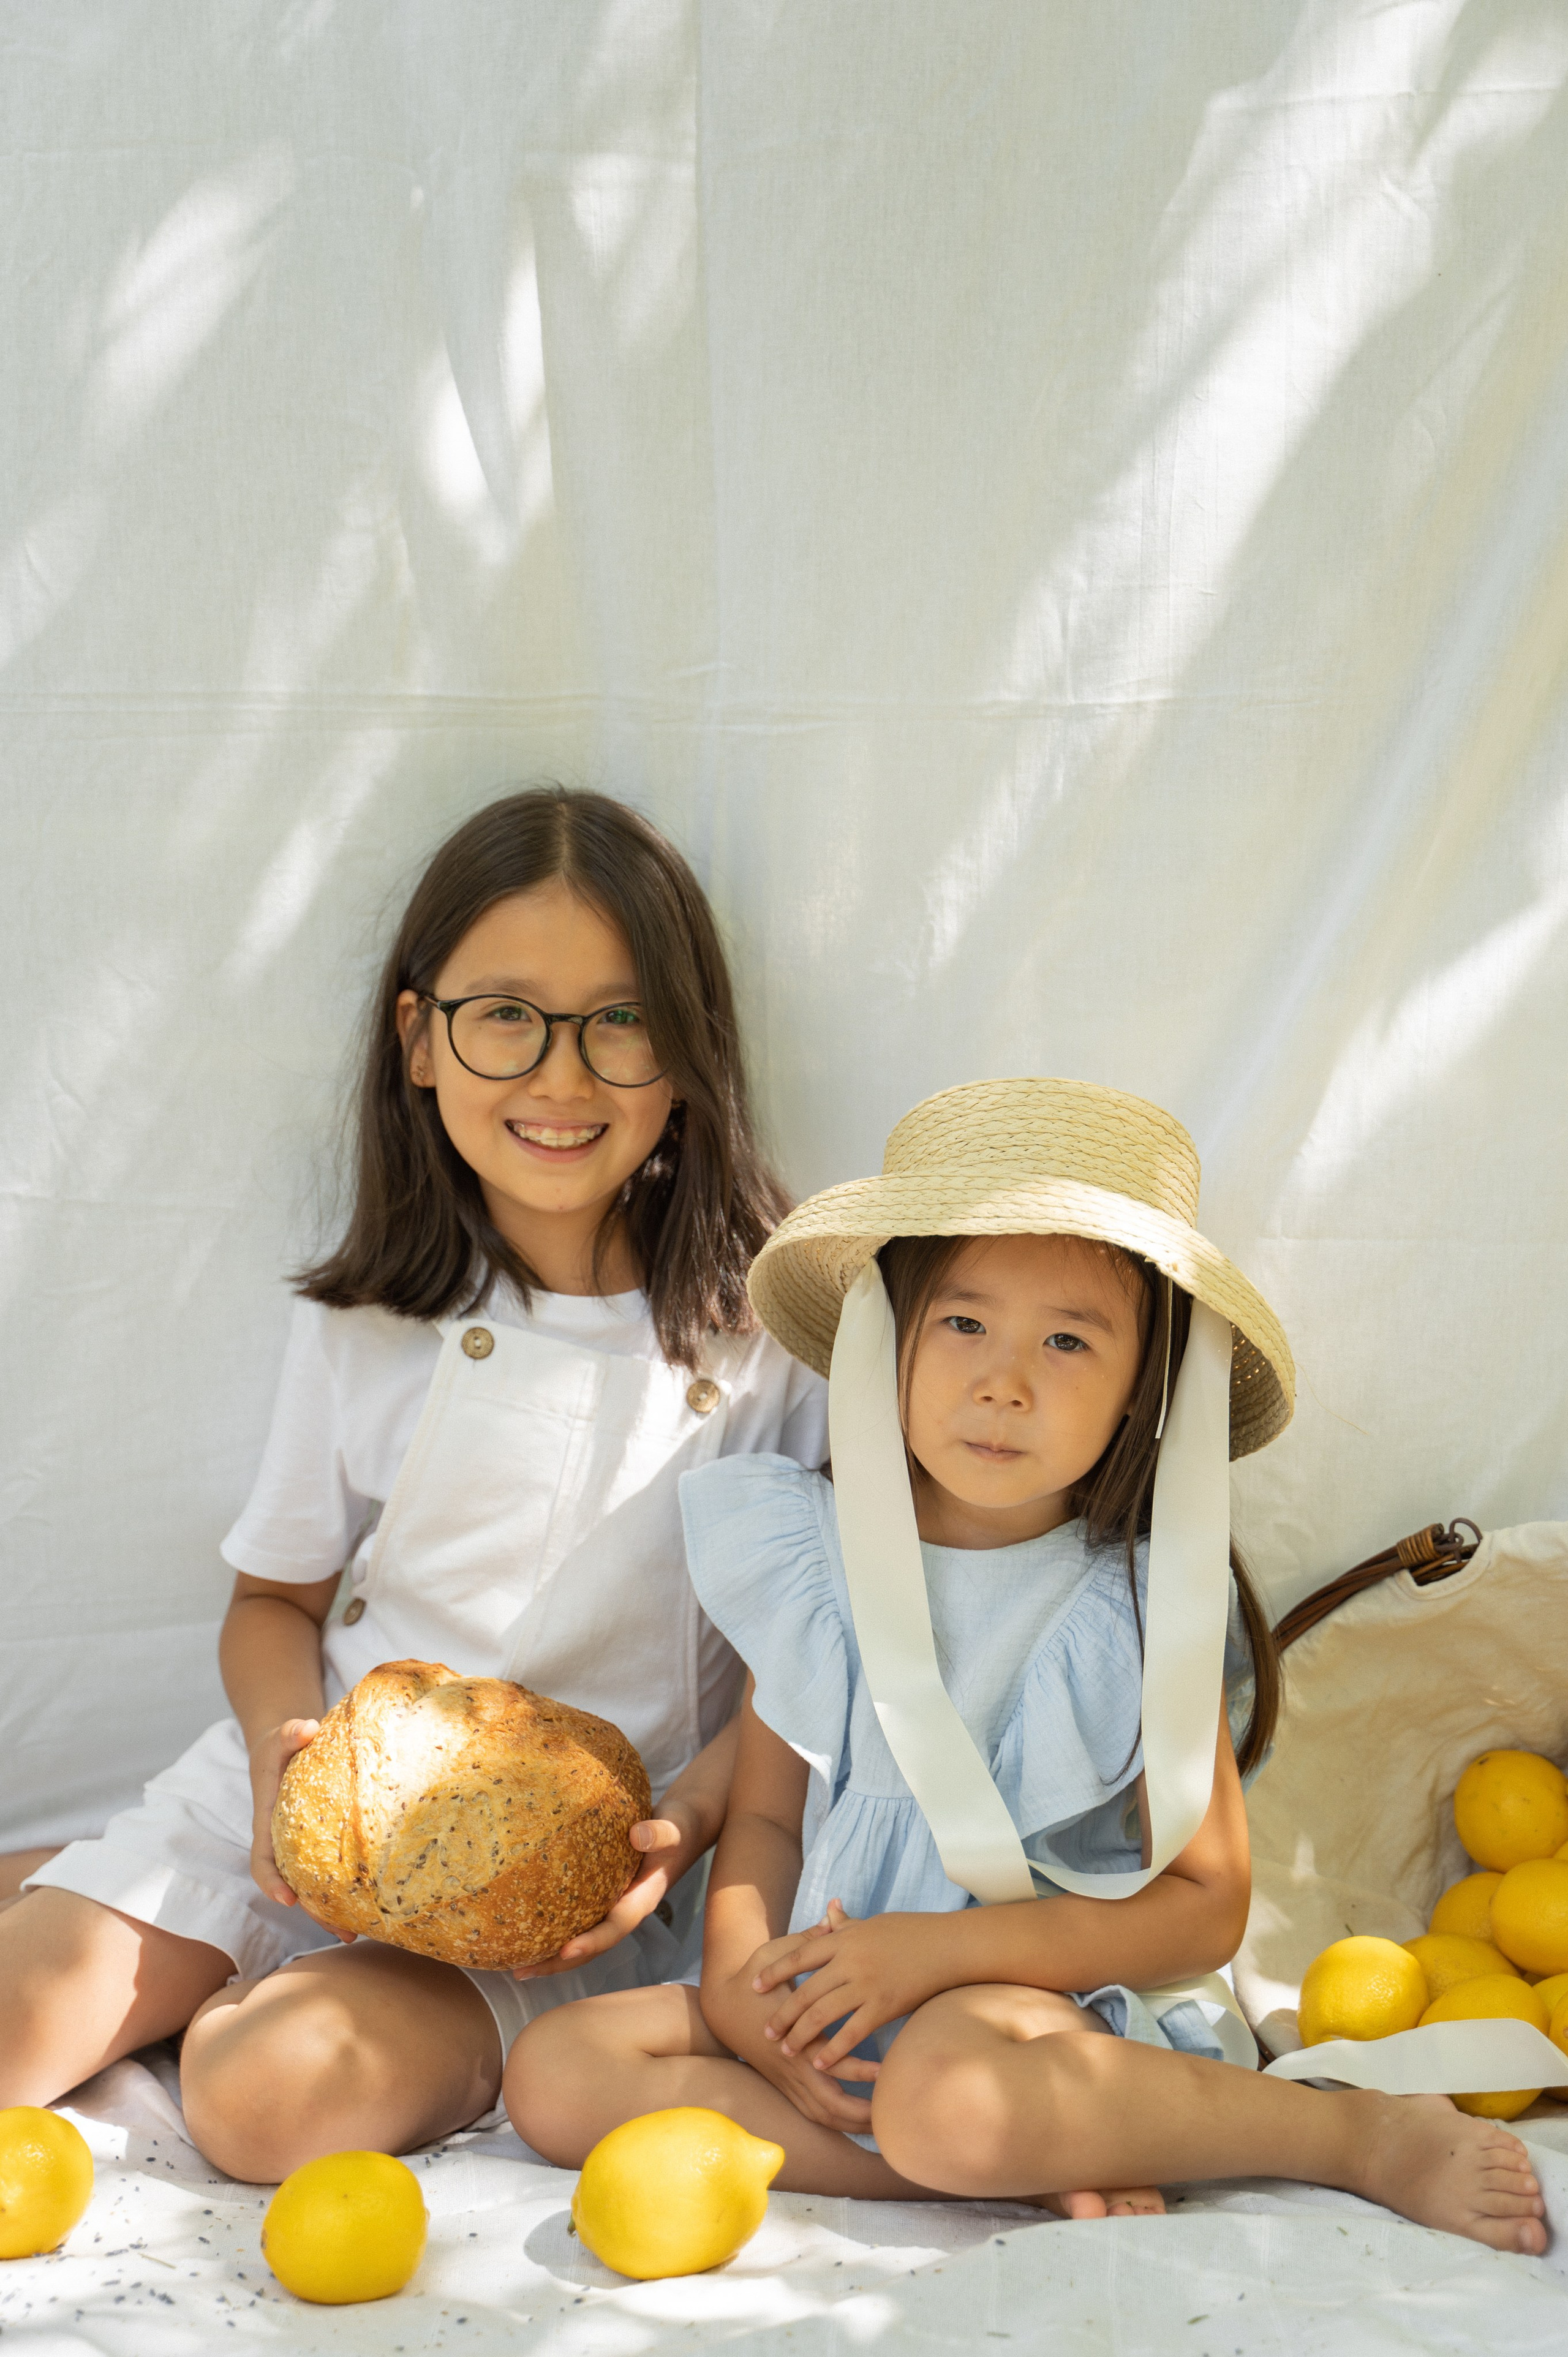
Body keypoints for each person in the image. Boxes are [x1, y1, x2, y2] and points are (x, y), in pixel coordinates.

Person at [508, 1079, 1548, 2258]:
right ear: (885, 1343)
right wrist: (751, 2006)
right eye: (963, 1324)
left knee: (954, 2085)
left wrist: (936, 1955)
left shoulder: (1139, 1605)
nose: (1005, 1382)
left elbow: (1203, 1910)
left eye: (1067, 1340)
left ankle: (1347, 2139)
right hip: (830, 2001)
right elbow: (764, 1824)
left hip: (1026, 2014)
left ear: (1142, 1396)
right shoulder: (815, 1559)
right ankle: (1034, 2155)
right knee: (559, 2071)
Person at [0, 787, 826, 2182]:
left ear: (687, 1055)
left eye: (618, 1021)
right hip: (299, 1808)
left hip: (560, 1898)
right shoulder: (369, 1319)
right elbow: (274, 1601)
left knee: (260, 2102)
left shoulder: (771, 1342)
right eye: (505, 1014)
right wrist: (276, 1758)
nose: (561, 1078)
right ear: (418, 1042)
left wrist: (677, 1827)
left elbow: (803, 1676)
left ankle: (200, 1983)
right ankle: (119, 1912)